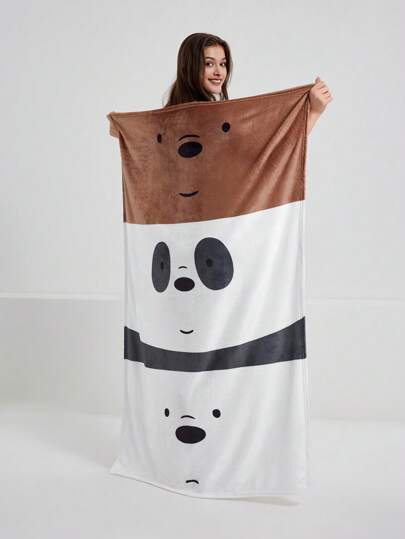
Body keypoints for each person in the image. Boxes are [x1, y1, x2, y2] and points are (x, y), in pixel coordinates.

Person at [163, 32, 332, 134]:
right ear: (190, 67)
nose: (219, 72)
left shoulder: (166, 122)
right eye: (209, 63)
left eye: (223, 64)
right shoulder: (213, 122)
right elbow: (269, 157)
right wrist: (314, 112)